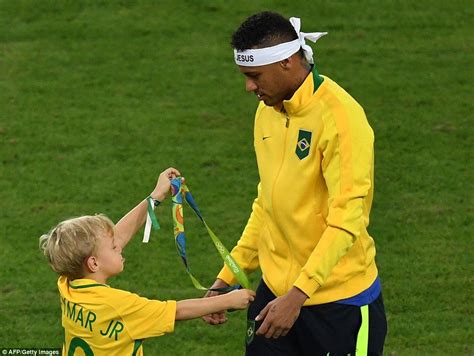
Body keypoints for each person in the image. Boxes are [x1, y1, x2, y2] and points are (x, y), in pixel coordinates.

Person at [203, 12, 387, 355]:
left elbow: (348, 220)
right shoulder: (268, 112)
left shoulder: (341, 120)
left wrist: (298, 295)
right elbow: (267, 206)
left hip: (337, 305)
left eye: (254, 76)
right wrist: (226, 278)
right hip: (275, 297)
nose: (249, 87)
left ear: (287, 62)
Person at [40, 167, 255, 356]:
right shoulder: (117, 305)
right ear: (94, 264)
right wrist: (228, 300)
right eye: (114, 247)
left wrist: (155, 197)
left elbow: (119, 235)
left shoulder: (68, 283)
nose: (119, 245)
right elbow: (176, 311)